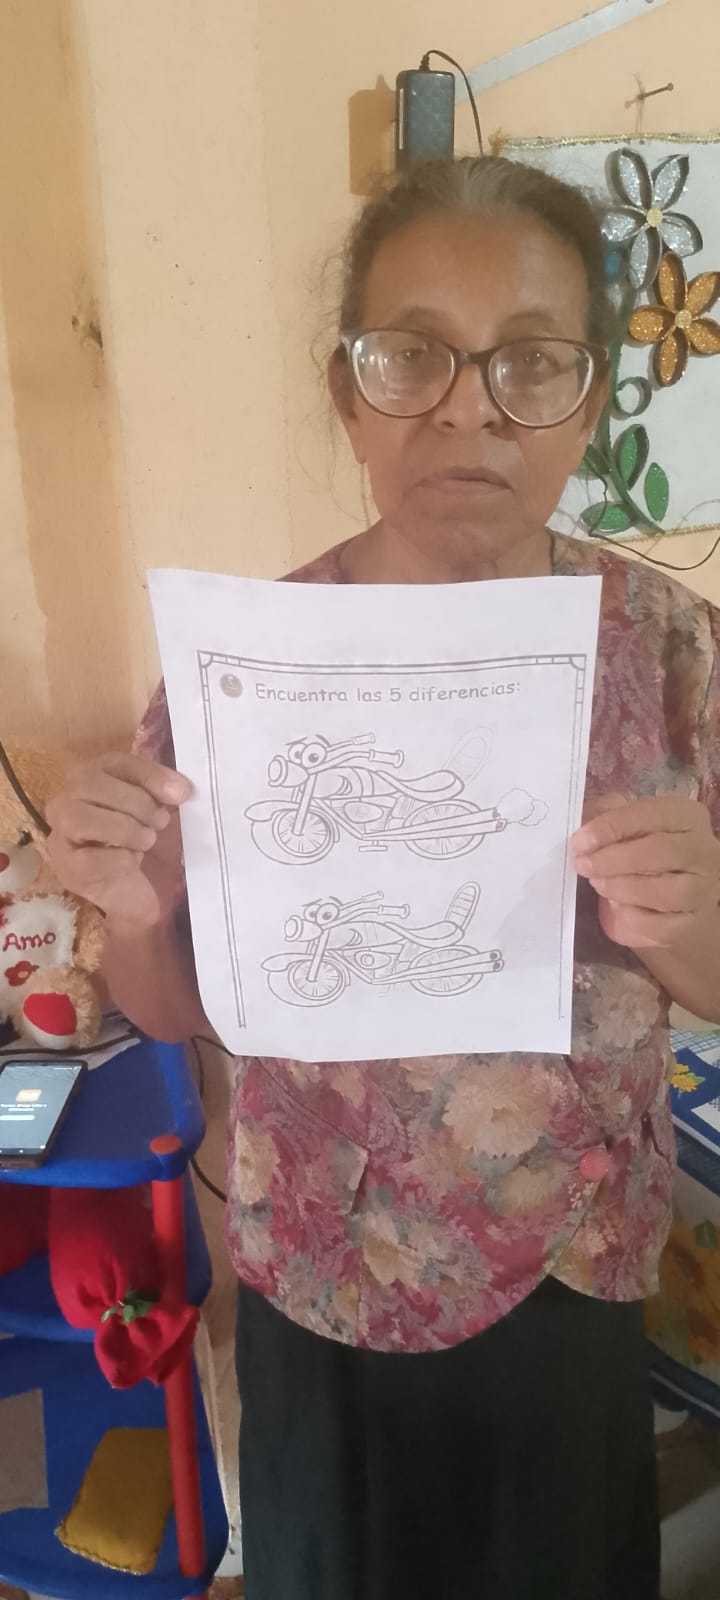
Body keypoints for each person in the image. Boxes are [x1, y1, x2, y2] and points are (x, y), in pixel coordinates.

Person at [47, 157, 720, 1600]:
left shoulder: (673, 653)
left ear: (589, 402)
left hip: (575, 1265)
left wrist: (697, 920)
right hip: (324, 1272)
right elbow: (171, 1010)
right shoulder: (247, 667)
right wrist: (137, 906)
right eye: (411, 355)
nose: (468, 409)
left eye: (529, 361)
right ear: (348, 394)